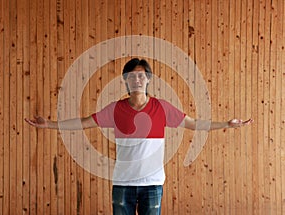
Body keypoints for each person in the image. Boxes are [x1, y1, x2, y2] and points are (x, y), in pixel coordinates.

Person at [25, 58, 253, 215]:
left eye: (141, 76)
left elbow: (193, 124)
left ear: (148, 80)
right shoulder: (115, 109)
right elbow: (84, 122)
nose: (137, 79)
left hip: (152, 185)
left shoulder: (162, 108)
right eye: (132, 76)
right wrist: (49, 125)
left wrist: (226, 124)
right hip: (123, 184)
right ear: (126, 80)